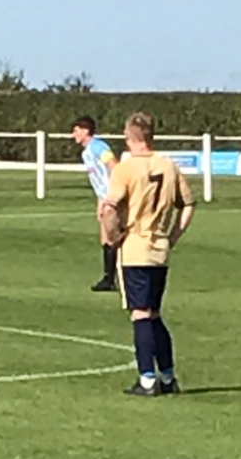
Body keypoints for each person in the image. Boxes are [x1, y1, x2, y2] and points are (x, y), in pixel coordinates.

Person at [101, 112, 196, 397]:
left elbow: (109, 207)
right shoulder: (169, 166)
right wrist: (173, 236)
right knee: (154, 314)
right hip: (160, 249)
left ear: (129, 138)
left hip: (135, 246)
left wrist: (112, 236)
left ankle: (146, 380)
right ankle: (168, 377)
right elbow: (188, 204)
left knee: (140, 314)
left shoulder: (126, 169)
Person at [71, 115, 119, 291]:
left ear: (85, 131)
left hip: (114, 198)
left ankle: (114, 278)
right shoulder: (86, 153)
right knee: (105, 238)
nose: (73, 134)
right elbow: (98, 180)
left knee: (113, 237)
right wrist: (100, 201)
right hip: (105, 198)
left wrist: (113, 196)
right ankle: (109, 278)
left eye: (76, 130)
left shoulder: (98, 146)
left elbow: (114, 165)